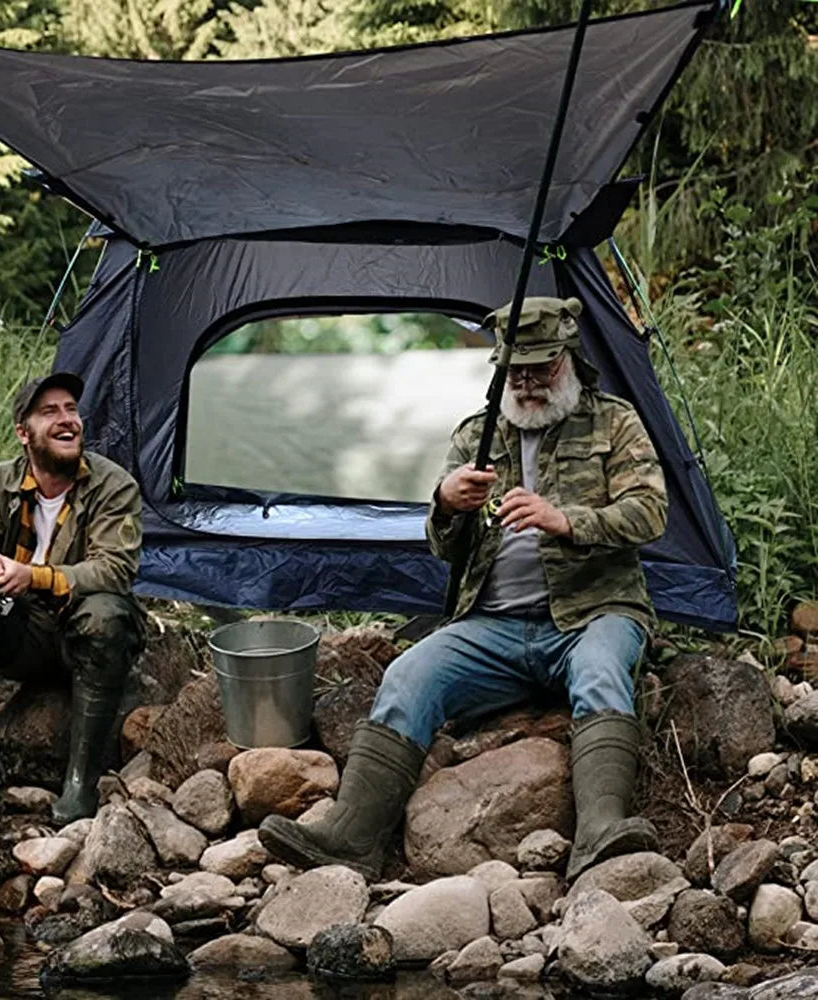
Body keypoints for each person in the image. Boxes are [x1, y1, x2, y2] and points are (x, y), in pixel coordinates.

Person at [259, 296, 668, 881]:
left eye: (540, 369)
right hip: (492, 625)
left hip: (592, 614)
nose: (527, 384)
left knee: (602, 671)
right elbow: (446, 548)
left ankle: (600, 831)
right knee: (408, 675)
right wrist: (447, 507)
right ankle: (351, 836)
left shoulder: (613, 422)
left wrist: (567, 520)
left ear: (569, 361)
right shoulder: (477, 435)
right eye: (515, 371)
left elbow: (651, 513)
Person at [0, 371, 145, 825]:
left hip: (80, 633)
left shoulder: (115, 485)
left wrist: (35, 576)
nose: (68, 420)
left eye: (71, 409)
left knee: (106, 612)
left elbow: (115, 569)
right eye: (50, 412)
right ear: (23, 433)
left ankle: (80, 784)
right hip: (22, 633)